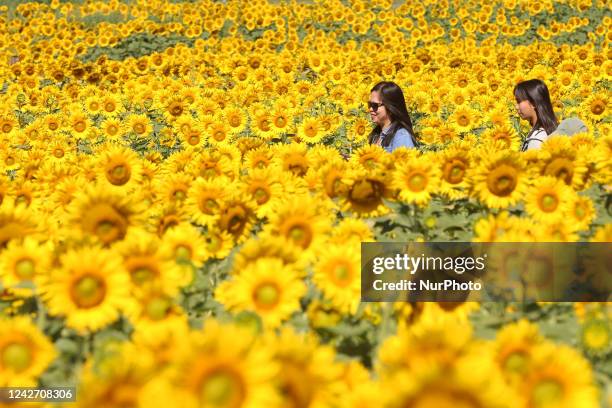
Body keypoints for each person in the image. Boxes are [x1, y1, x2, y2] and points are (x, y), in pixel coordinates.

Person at [367, 81, 418, 152]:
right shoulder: (376, 134)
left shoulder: (401, 137)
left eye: (375, 105)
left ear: (390, 107)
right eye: (369, 104)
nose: (370, 109)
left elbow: (405, 162)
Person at [514, 79, 559, 151]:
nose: (516, 107)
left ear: (533, 103)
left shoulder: (537, 140)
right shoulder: (550, 133)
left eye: (519, 101)